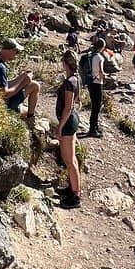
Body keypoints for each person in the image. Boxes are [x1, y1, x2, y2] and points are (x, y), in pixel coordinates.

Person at [0, 38, 41, 117]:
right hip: (2, 104)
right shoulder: (0, 68)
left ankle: (25, 111)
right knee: (27, 109)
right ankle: (30, 117)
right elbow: (5, 94)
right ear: (10, 50)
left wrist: (22, 77)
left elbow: (4, 85)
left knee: (34, 84)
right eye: (16, 51)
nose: (16, 54)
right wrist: (22, 83)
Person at [55, 51, 82, 208]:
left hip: (68, 122)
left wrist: (60, 127)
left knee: (69, 160)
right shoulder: (76, 78)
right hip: (72, 120)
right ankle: (73, 189)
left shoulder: (69, 82)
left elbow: (67, 107)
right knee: (71, 159)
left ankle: (76, 196)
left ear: (65, 63)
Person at [83, 36, 106, 138]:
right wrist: (104, 78)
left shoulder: (91, 55)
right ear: (102, 47)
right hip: (97, 83)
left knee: (94, 105)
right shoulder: (100, 57)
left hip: (90, 82)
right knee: (97, 107)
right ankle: (93, 129)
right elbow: (101, 71)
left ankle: (95, 127)